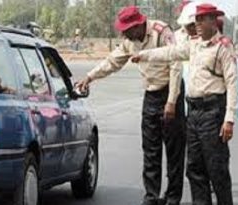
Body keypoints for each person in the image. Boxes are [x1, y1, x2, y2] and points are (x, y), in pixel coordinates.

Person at [76, 6, 186, 205]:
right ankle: (151, 197)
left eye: (126, 29)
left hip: (171, 92)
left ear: (138, 25)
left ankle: (172, 197)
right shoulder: (130, 41)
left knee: (174, 151)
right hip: (151, 94)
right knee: (150, 150)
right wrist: (89, 77)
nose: (123, 33)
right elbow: (112, 62)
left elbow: (176, 65)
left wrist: (171, 101)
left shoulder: (162, 32)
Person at [132, 3, 238, 204]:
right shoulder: (194, 44)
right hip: (194, 113)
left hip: (213, 112)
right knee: (195, 169)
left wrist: (229, 119)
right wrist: (144, 55)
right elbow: (169, 53)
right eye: (195, 20)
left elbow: (232, 84)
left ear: (213, 21)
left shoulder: (222, 47)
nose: (196, 24)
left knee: (216, 169)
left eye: (201, 20)